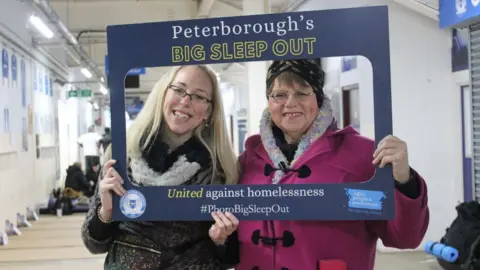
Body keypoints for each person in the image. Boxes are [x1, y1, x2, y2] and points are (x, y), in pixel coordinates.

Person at [222, 59, 430, 270]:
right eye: (280, 95)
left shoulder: (363, 156)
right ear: (269, 102)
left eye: (302, 93)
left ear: (319, 99)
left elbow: (405, 238)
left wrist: (404, 180)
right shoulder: (248, 161)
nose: (291, 103)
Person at [81, 65, 240, 269]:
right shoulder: (122, 156)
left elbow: (230, 259)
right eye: (179, 89)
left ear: (208, 111)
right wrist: (106, 212)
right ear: (163, 93)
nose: (185, 101)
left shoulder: (220, 170)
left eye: (199, 96)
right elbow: (93, 244)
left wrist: (222, 239)